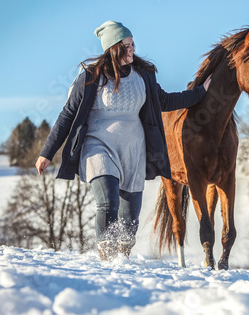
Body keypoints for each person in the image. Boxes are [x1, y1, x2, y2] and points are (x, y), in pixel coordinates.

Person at [35, 21, 210, 261]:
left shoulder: (143, 76)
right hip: (98, 147)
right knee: (108, 202)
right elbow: (67, 114)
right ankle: (106, 257)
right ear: (113, 48)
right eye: (127, 45)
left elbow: (165, 101)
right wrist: (47, 152)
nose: (133, 50)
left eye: (133, 44)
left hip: (134, 151)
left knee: (130, 219)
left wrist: (200, 93)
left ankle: (122, 259)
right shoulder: (91, 77)